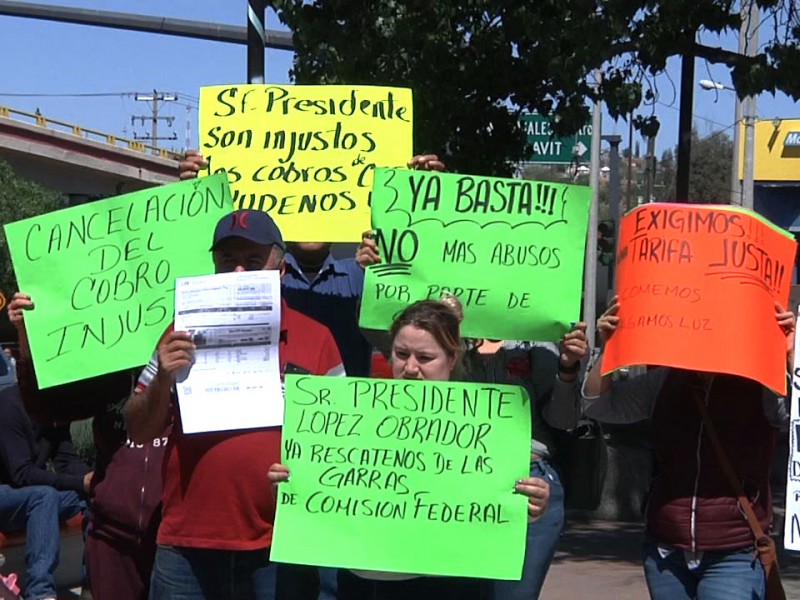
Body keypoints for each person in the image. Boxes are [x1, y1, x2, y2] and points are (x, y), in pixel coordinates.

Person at [125, 209, 344, 600]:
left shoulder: (318, 339)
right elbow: (138, 430)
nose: (239, 272)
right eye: (228, 260)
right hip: (187, 545)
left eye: (254, 260)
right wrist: (163, 378)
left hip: (280, 546)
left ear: (281, 270)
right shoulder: (177, 333)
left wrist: (304, 469)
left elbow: (339, 447)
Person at [269, 299, 551, 600]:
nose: (411, 367)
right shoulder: (351, 416)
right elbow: (322, 495)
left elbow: (500, 507)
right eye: (401, 354)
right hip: (366, 581)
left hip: (452, 582)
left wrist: (531, 506)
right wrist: (289, 487)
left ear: (452, 357)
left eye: (425, 357)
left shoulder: (489, 424)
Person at [582, 296, 795, 600]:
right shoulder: (665, 381)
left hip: (734, 553)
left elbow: (796, 417)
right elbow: (599, 406)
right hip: (666, 551)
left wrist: (791, 358)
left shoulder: (760, 386)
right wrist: (612, 349)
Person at [8, 291, 164, 600]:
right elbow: (45, 408)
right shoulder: (105, 366)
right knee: (45, 498)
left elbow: (65, 454)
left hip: (177, 537)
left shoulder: (200, 367)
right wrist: (29, 334)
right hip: (112, 534)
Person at [0, 377, 90, 600]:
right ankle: (40, 593)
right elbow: (22, 474)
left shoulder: (53, 409)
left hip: (30, 497)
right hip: (6, 493)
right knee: (44, 496)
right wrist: (80, 483)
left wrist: (96, 479)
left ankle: (93, 581)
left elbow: (66, 462)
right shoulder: (8, 407)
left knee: (96, 497)